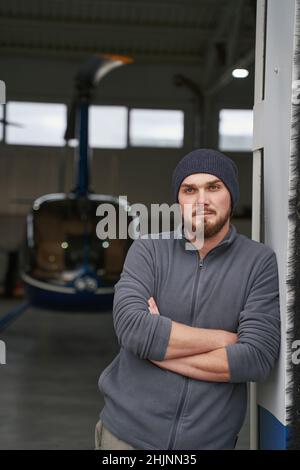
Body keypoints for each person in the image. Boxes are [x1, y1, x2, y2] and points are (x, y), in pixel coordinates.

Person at [95, 148, 281, 450]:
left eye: (214, 187)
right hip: (125, 438)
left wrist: (157, 350)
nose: (201, 200)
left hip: (209, 443)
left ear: (231, 195)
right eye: (189, 189)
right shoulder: (149, 250)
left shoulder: (258, 262)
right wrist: (226, 339)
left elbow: (256, 359)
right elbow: (133, 329)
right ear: (178, 200)